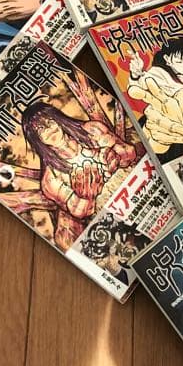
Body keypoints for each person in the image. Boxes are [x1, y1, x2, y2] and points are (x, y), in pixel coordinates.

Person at [20, 95, 141, 251]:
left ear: (58, 119)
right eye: (41, 130)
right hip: (113, 215)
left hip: (136, 186)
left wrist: (114, 155)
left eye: (50, 122)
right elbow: (80, 211)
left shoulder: (91, 130)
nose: (49, 130)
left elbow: (129, 152)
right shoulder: (50, 179)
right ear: (36, 139)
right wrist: (87, 195)